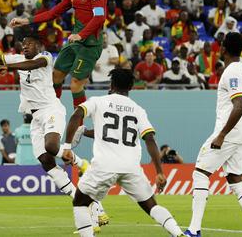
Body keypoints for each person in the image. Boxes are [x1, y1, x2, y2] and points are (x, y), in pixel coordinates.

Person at [0, 31, 108, 229]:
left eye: (29, 43)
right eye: (23, 44)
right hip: (35, 117)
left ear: (38, 46)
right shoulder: (17, 58)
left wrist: (6, 66)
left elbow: (30, 65)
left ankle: (81, 163)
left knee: (51, 145)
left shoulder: (45, 57)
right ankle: (86, 200)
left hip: (51, 108)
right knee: (45, 160)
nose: (24, 46)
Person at [62, 68, 184, 237]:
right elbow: (150, 139)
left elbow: (77, 115)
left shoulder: (98, 101)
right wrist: (159, 172)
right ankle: (178, 233)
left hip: (104, 165)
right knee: (151, 206)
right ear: (131, 87)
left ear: (111, 84)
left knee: (80, 202)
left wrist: (67, 146)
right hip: (131, 167)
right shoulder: (138, 110)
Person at [184, 33, 242, 237]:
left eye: (221, 45)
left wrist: (221, 134)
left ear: (224, 49)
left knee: (200, 172)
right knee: (235, 179)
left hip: (228, 133)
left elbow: (238, 105)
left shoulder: (231, 72)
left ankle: (194, 230)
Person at [10, 0, 108, 113]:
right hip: (75, 42)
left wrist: (80, 35)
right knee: (55, 76)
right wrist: (26, 21)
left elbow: (99, 17)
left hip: (90, 44)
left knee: (75, 83)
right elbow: (52, 13)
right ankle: (51, 111)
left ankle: (78, 124)